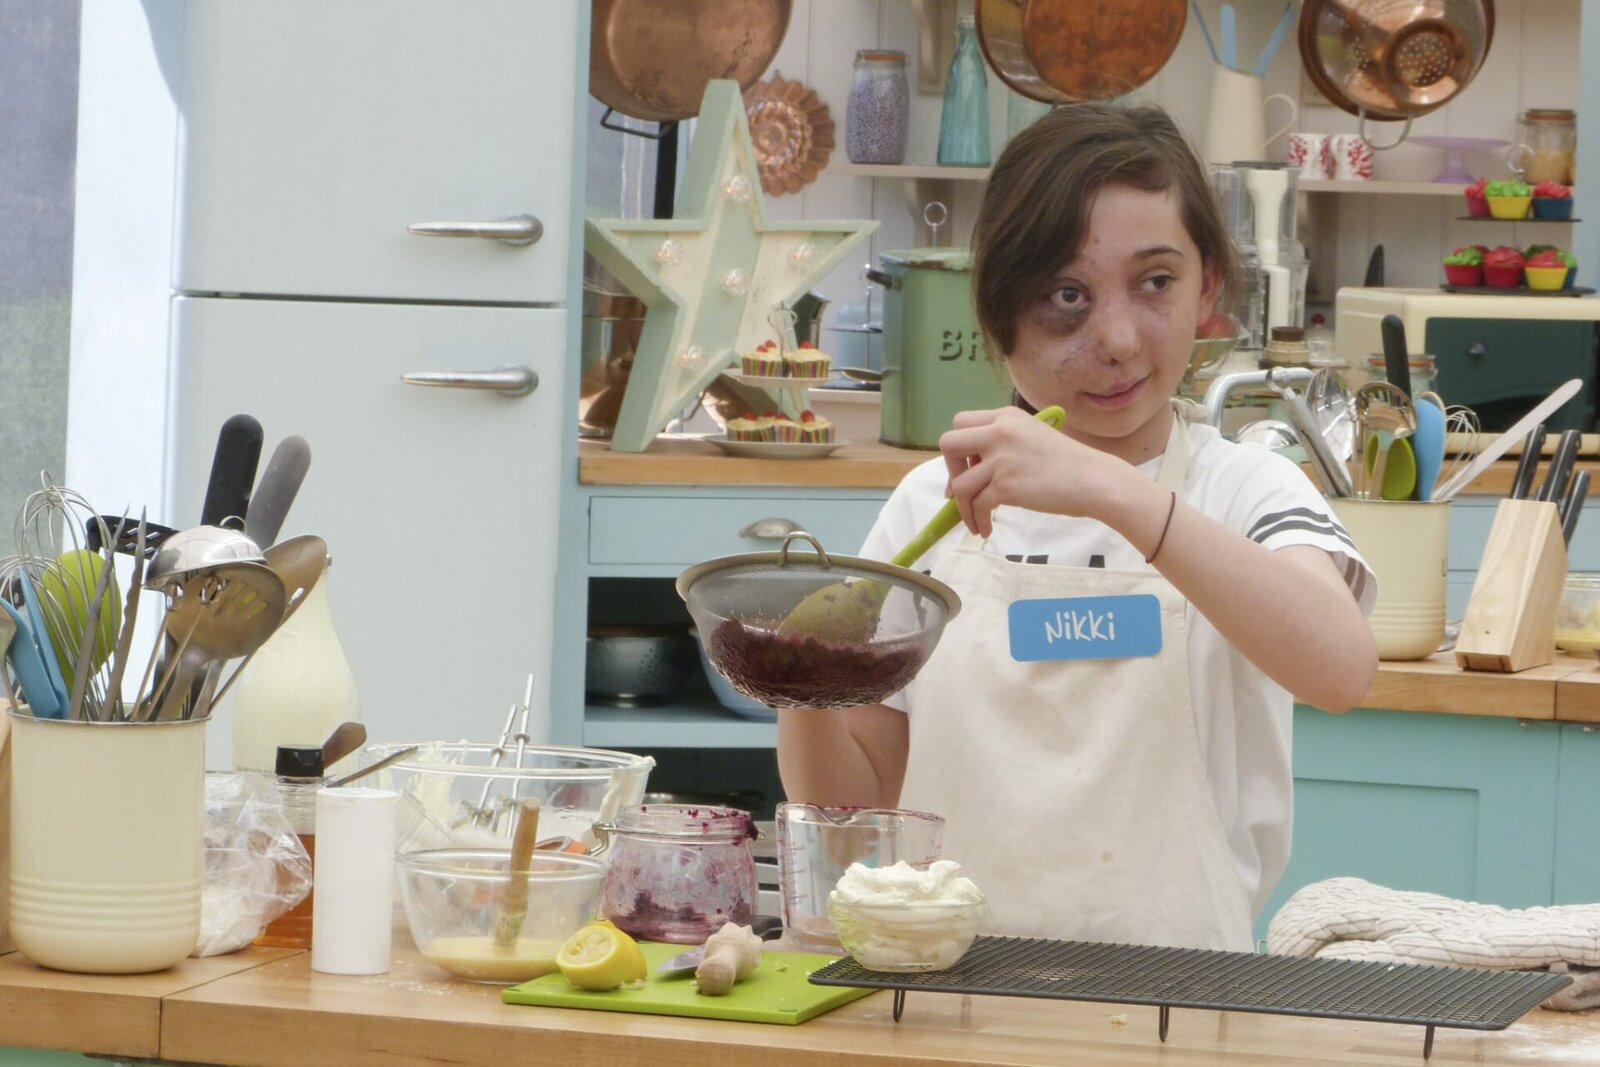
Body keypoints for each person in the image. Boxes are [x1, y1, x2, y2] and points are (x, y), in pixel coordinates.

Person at [777, 103, 1378, 953]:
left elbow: (1342, 669)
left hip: (1185, 997)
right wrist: (803, 687)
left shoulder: (1245, 489)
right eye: (1066, 296)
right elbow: (857, 814)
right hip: (947, 986)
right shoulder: (930, 508)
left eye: (1156, 282)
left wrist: (1107, 488)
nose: (1119, 339)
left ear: (1208, 286)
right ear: (999, 312)